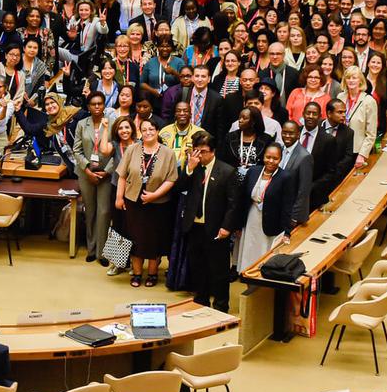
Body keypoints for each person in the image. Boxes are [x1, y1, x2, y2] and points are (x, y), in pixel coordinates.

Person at [173, 131, 239, 310]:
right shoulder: (193, 168)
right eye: (196, 151)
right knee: (197, 267)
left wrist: (227, 227)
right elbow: (179, 187)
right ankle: (200, 302)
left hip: (217, 228)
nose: (198, 155)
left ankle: (220, 305)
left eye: (202, 151)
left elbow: (233, 204)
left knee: (219, 270)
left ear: (213, 151)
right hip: (194, 226)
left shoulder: (227, 171)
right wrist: (189, 168)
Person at [117, 116, 178, 287]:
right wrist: (119, 197)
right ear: (140, 132)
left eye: (152, 129)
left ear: (158, 131)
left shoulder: (168, 153)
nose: (148, 132)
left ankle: (152, 274)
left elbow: (171, 180)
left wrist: (154, 195)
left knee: (154, 240)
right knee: (135, 239)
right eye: (144, 130)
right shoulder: (132, 149)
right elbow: (122, 175)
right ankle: (137, 274)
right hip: (133, 201)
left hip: (158, 204)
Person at [232, 141, 302, 273]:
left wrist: (286, 231)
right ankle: (247, 273)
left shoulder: (285, 177)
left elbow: (287, 206)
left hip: (271, 222)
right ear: (263, 156)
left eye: (275, 158)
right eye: (268, 157)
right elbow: (242, 199)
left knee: (263, 251)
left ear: (280, 159)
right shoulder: (253, 171)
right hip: (251, 217)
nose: (271, 161)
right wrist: (237, 224)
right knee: (248, 248)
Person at [73, 92, 116, 263]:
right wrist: (87, 171)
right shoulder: (82, 124)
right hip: (86, 173)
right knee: (90, 211)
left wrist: (107, 171)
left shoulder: (112, 124)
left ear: (104, 105)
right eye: (93, 104)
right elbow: (76, 150)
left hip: (106, 173)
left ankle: (102, 252)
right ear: (88, 106)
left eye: (100, 103)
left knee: (104, 212)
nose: (97, 107)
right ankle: (91, 249)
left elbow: (118, 150)